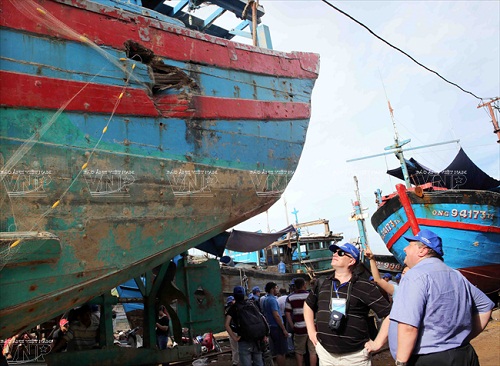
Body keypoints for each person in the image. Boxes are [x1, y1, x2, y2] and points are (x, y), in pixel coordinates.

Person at [366, 229, 495, 366]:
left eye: (410, 245)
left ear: (422, 251)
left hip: (429, 359)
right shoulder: (456, 275)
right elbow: (485, 307)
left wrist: (401, 362)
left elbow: (408, 327)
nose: (405, 249)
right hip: (464, 354)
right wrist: (462, 338)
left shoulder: (415, 276)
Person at [304, 243, 391, 366]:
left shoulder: (365, 286)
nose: (335, 254)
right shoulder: (322, 283)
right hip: (326, 355)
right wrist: (311, 332)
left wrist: (377, 343)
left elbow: (389, 314)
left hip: (355, 358)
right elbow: (308, 305)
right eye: (334, 252)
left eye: (340, 253)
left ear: (351, 261)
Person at [225, 286, 266, 366]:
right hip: (257, 338)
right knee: (259, 362)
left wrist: (235, 338)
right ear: (244, 294)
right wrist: (264, 334)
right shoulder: (251, 304)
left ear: (234, 295)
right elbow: (262, 318)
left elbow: (227, 324)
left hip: (244, 340)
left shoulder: (233, 308)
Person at [285, 277, 317, 366]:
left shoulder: (290, 297)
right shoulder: (311, 295)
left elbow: (287, 313)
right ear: (304, 285)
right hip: (312, 328)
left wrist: (292, 326)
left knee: (299, 351)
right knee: (313, 351)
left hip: (299, 328)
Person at [262, 282, 288, 366]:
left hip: (271, 327)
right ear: (272, 289)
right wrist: (283, 329)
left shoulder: (265, 299)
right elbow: (276, 315)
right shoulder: (272, 300)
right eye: (276, 288)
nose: (277, 289)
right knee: (281, 351)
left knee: (277, 350)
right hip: (277, 327)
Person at [225, 296, 239, 366]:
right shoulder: (234, 309)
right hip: (235, 330)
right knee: (238, 348)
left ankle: (235, 362)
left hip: (231, 330)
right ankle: (237, 362)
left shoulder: (227, 309)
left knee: (234, 348)